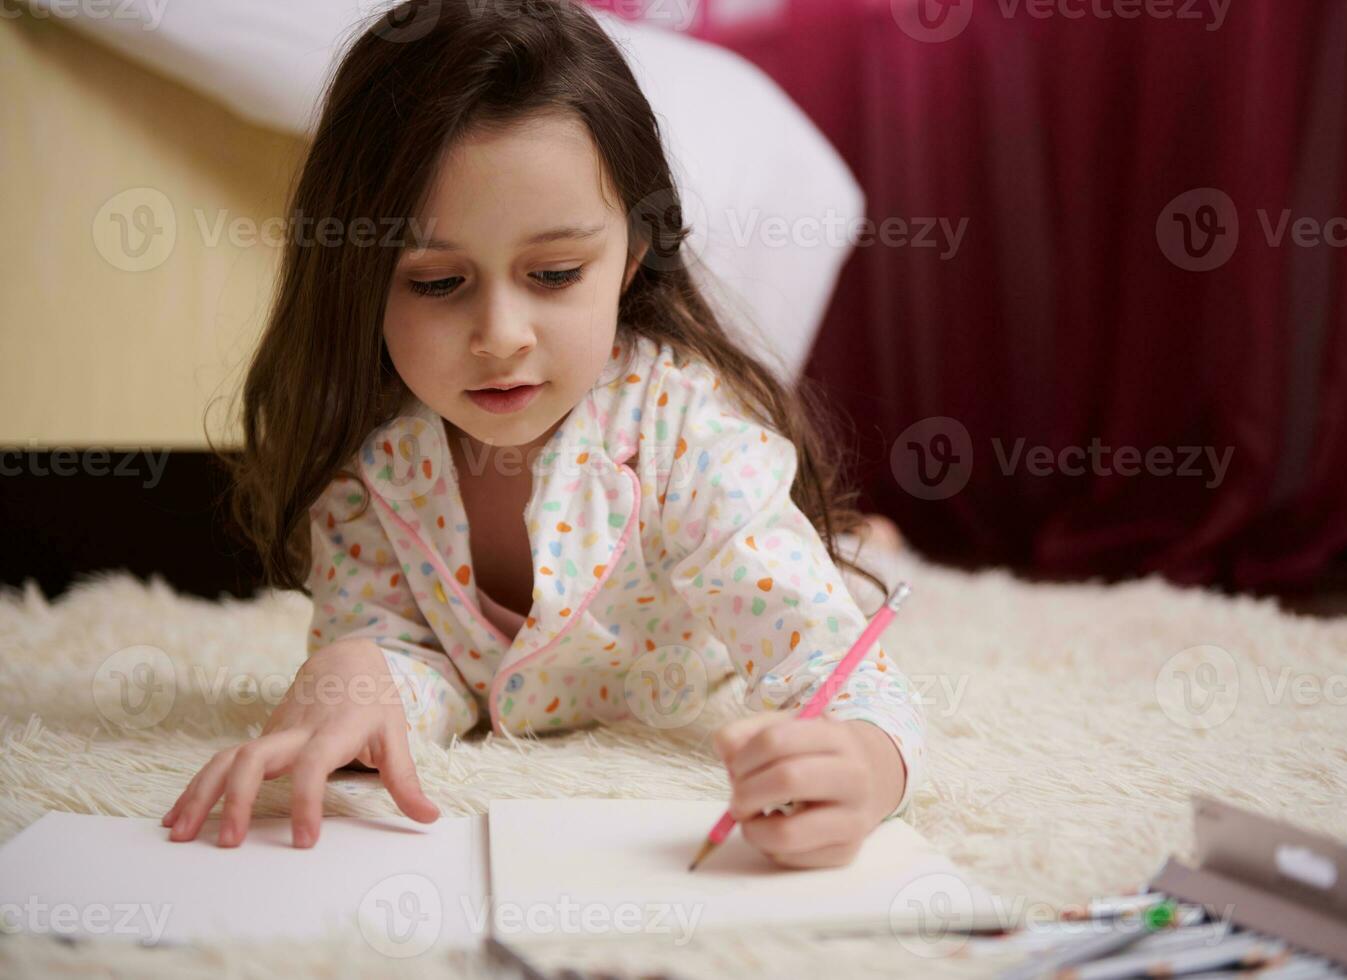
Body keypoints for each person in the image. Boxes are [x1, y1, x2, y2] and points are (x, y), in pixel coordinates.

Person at [165, 0, 924, 869]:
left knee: (849, 565)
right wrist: (361, 673)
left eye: (555, 274)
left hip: (711, 602)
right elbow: (416, 654)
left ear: (632, 257)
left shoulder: (687, 436)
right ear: (360, 277)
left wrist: (868, 764)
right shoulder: (367, 449)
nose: (500, 335)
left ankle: (857, 538)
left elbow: (837, 668)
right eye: (438, 282)